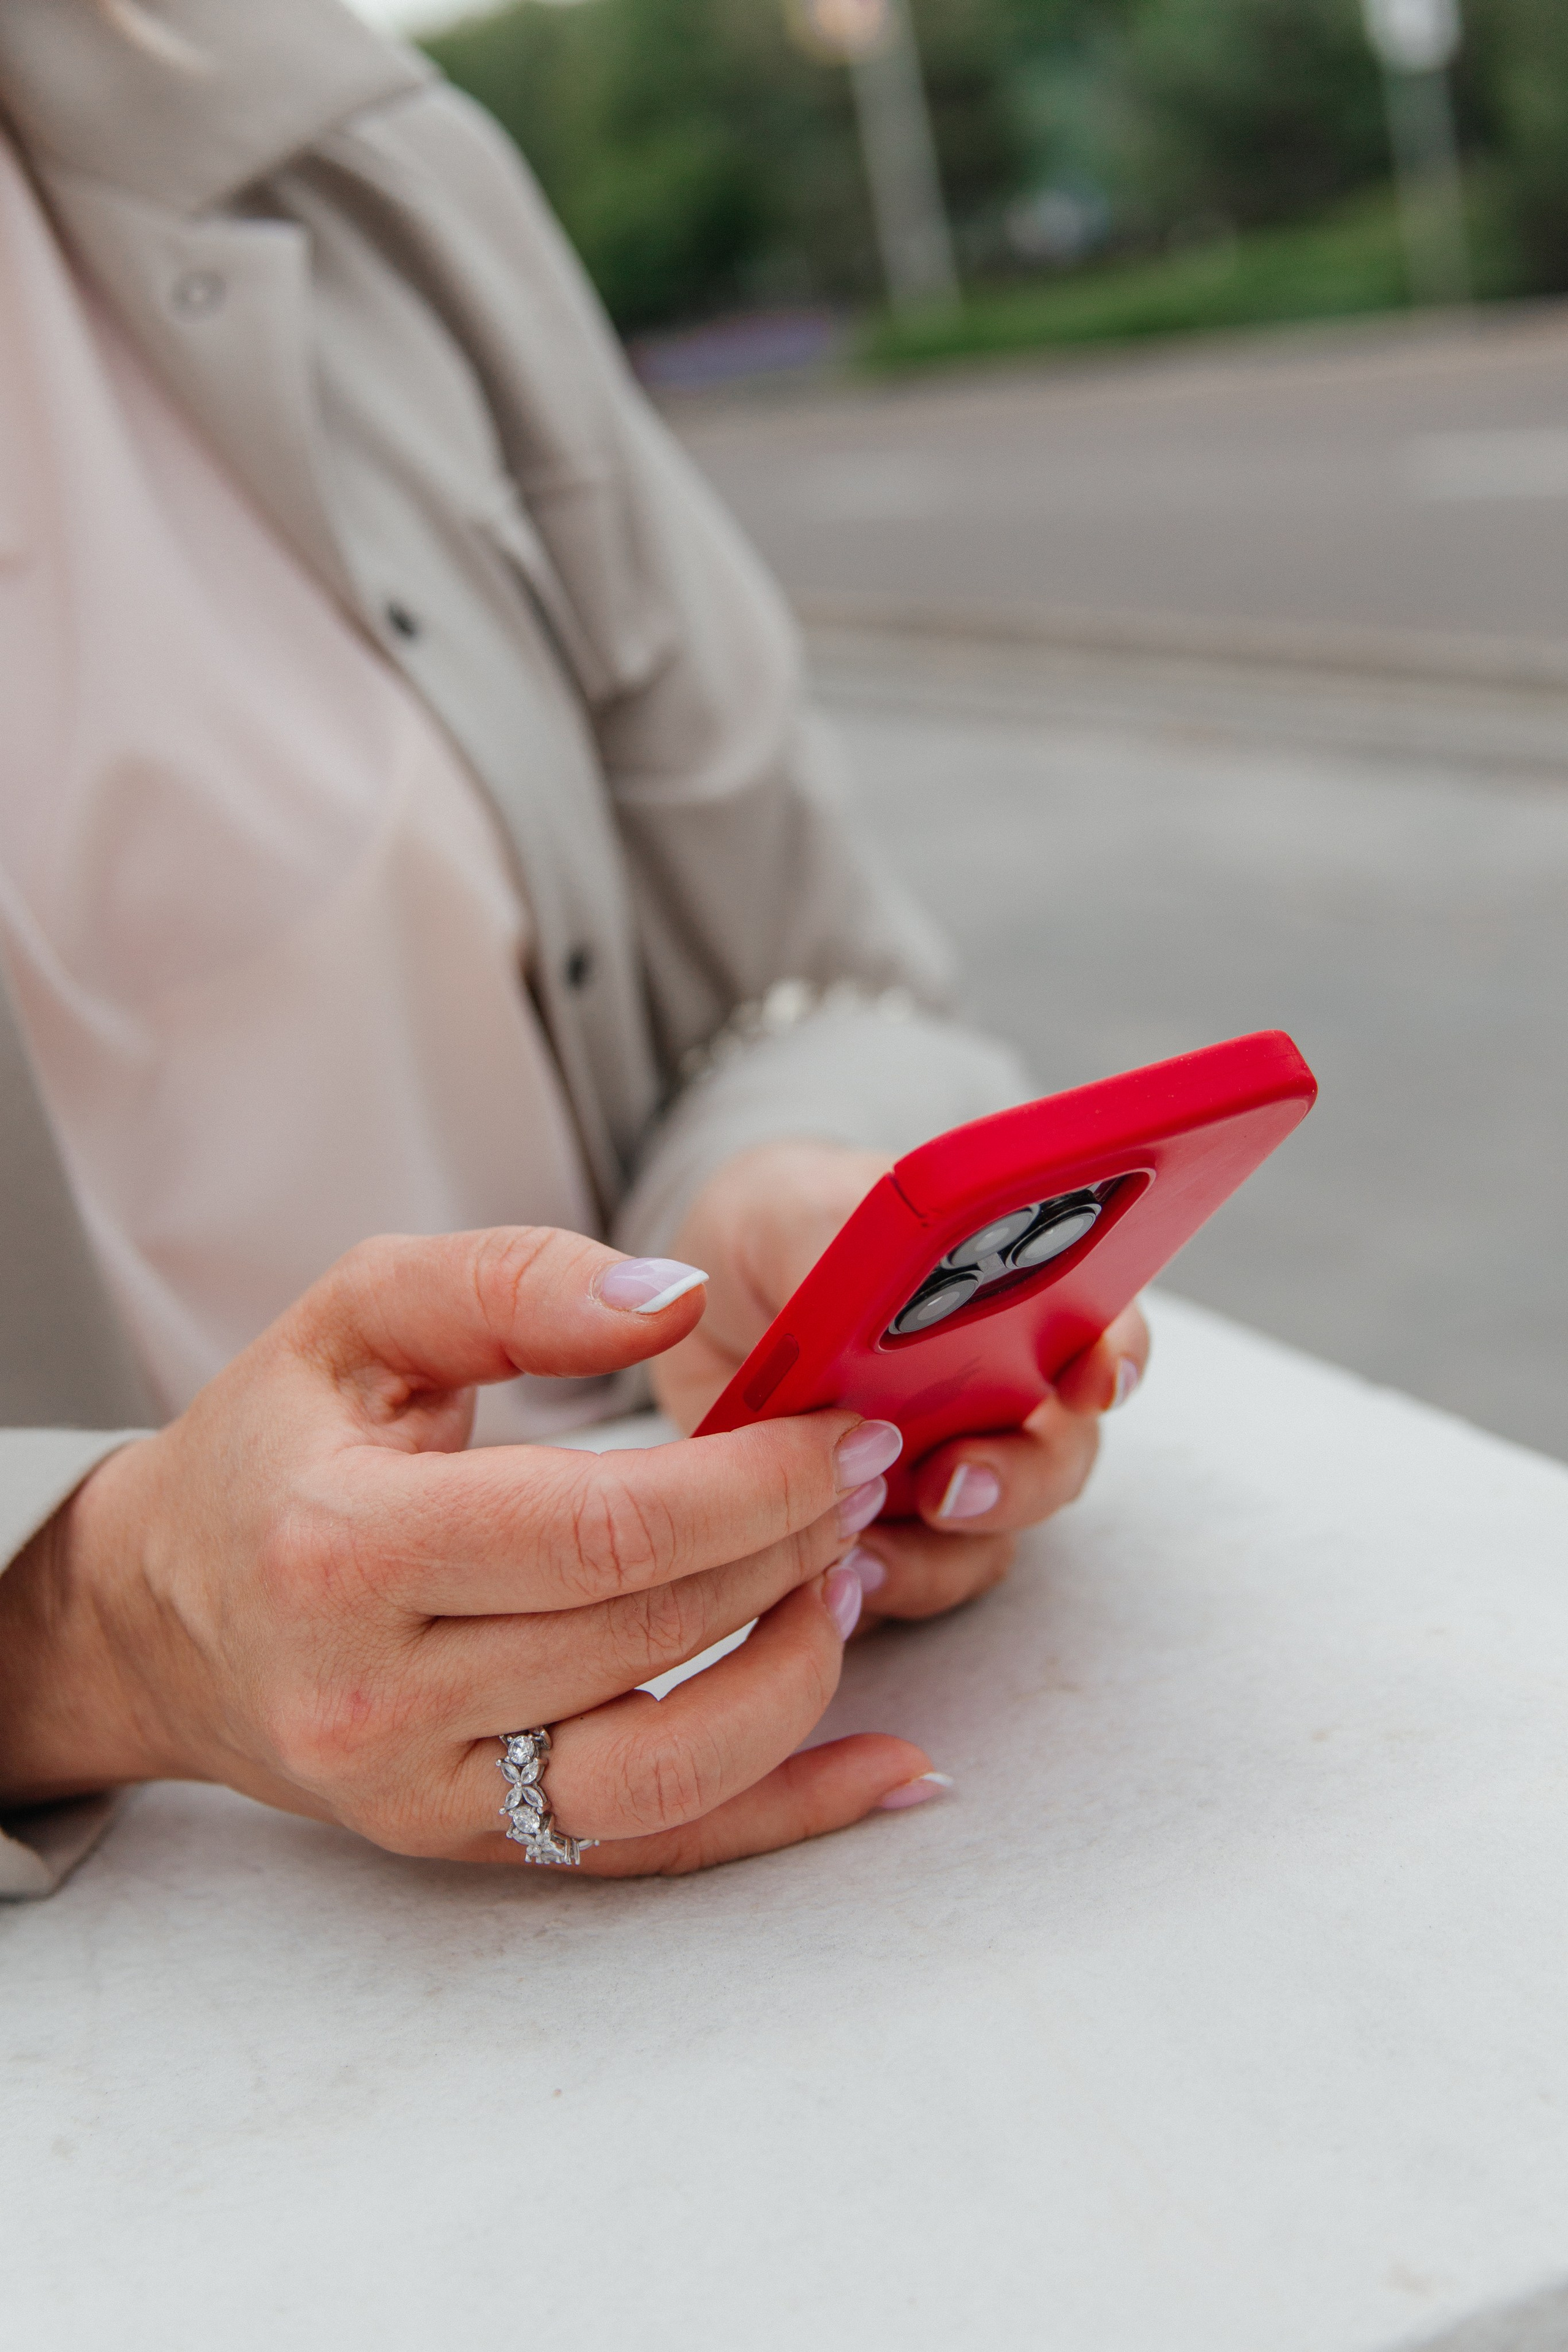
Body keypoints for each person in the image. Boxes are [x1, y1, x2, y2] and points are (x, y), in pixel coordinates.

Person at [0, 0, 1147, 1897]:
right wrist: (103, 1628)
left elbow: (825, 970)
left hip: (745, 1764)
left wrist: (775, 1199)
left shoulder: (353, 156)